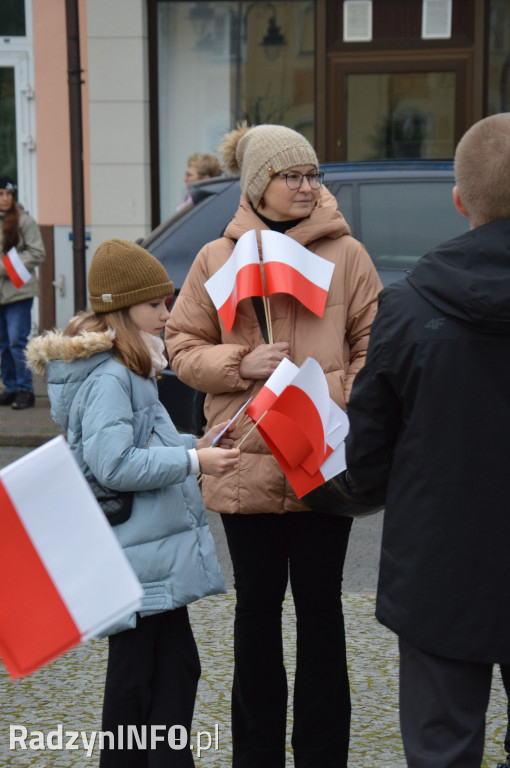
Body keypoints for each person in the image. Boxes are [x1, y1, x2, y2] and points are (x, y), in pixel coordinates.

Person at [165, 123, 382, 767]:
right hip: (245, 466)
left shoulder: (349, 256)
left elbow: (376, 350)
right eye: (293, 176)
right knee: (255, 615)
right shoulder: (217, 258)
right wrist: (240, 363)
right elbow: (181, 347)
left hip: (321, 460)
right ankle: (255, 754)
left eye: (313, 175)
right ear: (259, 183)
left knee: (322, 613)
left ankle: (323, 753)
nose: (307, 186)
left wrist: (325, 391)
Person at [25, 238, 240, 768]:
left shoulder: (131, 366)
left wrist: (197, 445)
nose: (167, 314)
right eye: (155, 305)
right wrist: (193, 462)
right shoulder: (112, 375)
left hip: (147, 556)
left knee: (168, 675)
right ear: (121, 310)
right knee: (138, 686)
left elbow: (146, 443)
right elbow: (113, 464)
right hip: (136, 560)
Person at [341, 113, 510, 768]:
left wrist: (361, 487)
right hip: (441, 567)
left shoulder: (409, 308)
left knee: (442, 750)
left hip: (440, 566)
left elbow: (367, 448)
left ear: (459, 200)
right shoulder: (409, 305)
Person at [0, 175, 45, 409]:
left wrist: (4, 268)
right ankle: (10, 388)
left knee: (17, 342)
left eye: (9, 194)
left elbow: (38, 252)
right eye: (1, 194)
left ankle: (25, 390)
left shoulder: (24, 221)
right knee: (3, 344)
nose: (5, 198)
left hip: (19, 291)